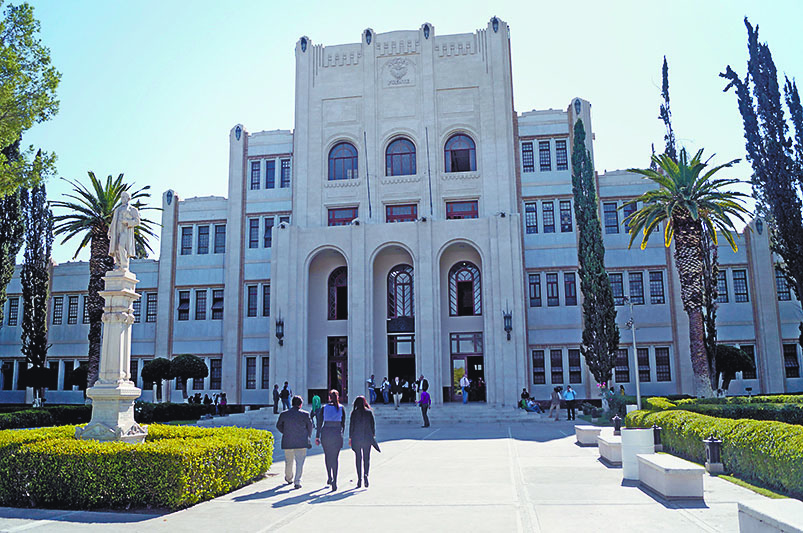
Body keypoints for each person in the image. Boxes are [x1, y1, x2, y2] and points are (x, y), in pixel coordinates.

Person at [276, 395, 313, 489]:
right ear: (300, 405)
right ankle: (297, 481)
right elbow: (310, 426)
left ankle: (288, 478)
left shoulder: (284, 414)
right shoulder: (305, 414)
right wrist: (307, 436)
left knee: (289, 461)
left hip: (288, 440)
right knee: (299, 462)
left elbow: (278, 425)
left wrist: (285, 432)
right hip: (301, 441)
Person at [316, 389, 346, 491]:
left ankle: (329, 476)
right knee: (335, 458)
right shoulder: (341, 408)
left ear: (329, 397)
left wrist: (317, 436)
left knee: (328, 456)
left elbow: (319, 423)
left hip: (326, 433)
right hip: (337, 433)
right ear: (337, 397)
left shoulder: (324, 408)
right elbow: (343, 424)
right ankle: (335, 480)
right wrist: (341, 434)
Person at [349, 396, 376, 488]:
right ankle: (366, 475)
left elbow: (351, 426)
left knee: (358, 458)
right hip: (367, 438)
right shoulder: (368, 412)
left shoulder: (354, 413)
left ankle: (359, 478)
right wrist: (372, 435)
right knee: (366, 458)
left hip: (357, 438)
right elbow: (372, 425)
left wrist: (350, 438)